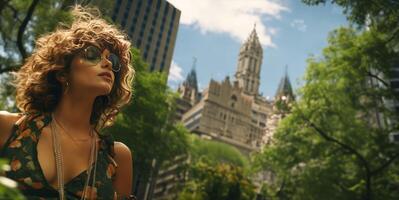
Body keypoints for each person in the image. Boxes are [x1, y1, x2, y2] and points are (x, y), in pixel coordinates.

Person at [0, 5, 135, 200]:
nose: (107, 64)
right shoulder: (8, 128)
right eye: (92, 55)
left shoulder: (118, 158)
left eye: (113, 61)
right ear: (63, 72)